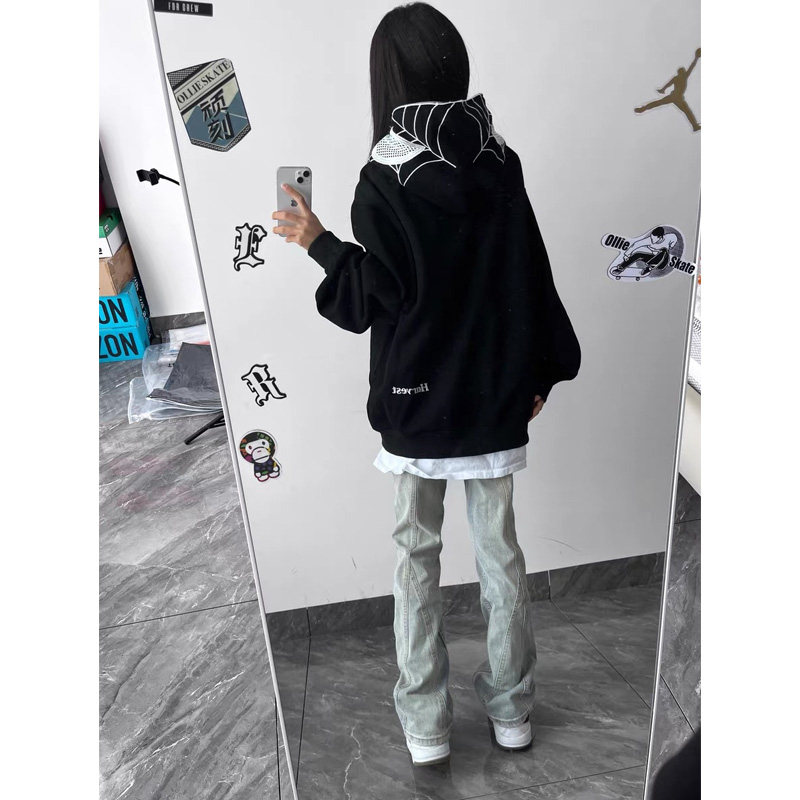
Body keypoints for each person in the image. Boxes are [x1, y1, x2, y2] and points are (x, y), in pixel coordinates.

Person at [271, 1, 580, 767]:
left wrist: (317, 242)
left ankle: (427, 726)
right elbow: (528, 269)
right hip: (496, 397)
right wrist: (543, 367)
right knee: (501, 558)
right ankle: (513, 711)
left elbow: (378, 297)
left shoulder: (384, 175)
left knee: (416, 558)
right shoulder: (502, 161)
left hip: (415, 401)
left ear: (390, 79)